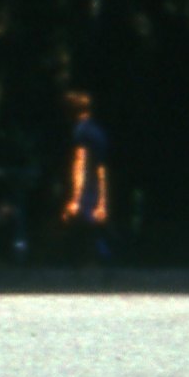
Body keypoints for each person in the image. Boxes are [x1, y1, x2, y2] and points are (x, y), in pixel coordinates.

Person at [56, 90, 114, 265]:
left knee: (78, 232)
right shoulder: (98, 132)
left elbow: (80, 164)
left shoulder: (81, 131)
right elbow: (101, 168)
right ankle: (104, 263)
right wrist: (103, 201)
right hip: (95, 191)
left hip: (85, 192)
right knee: (94, 230)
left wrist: (75, 199)